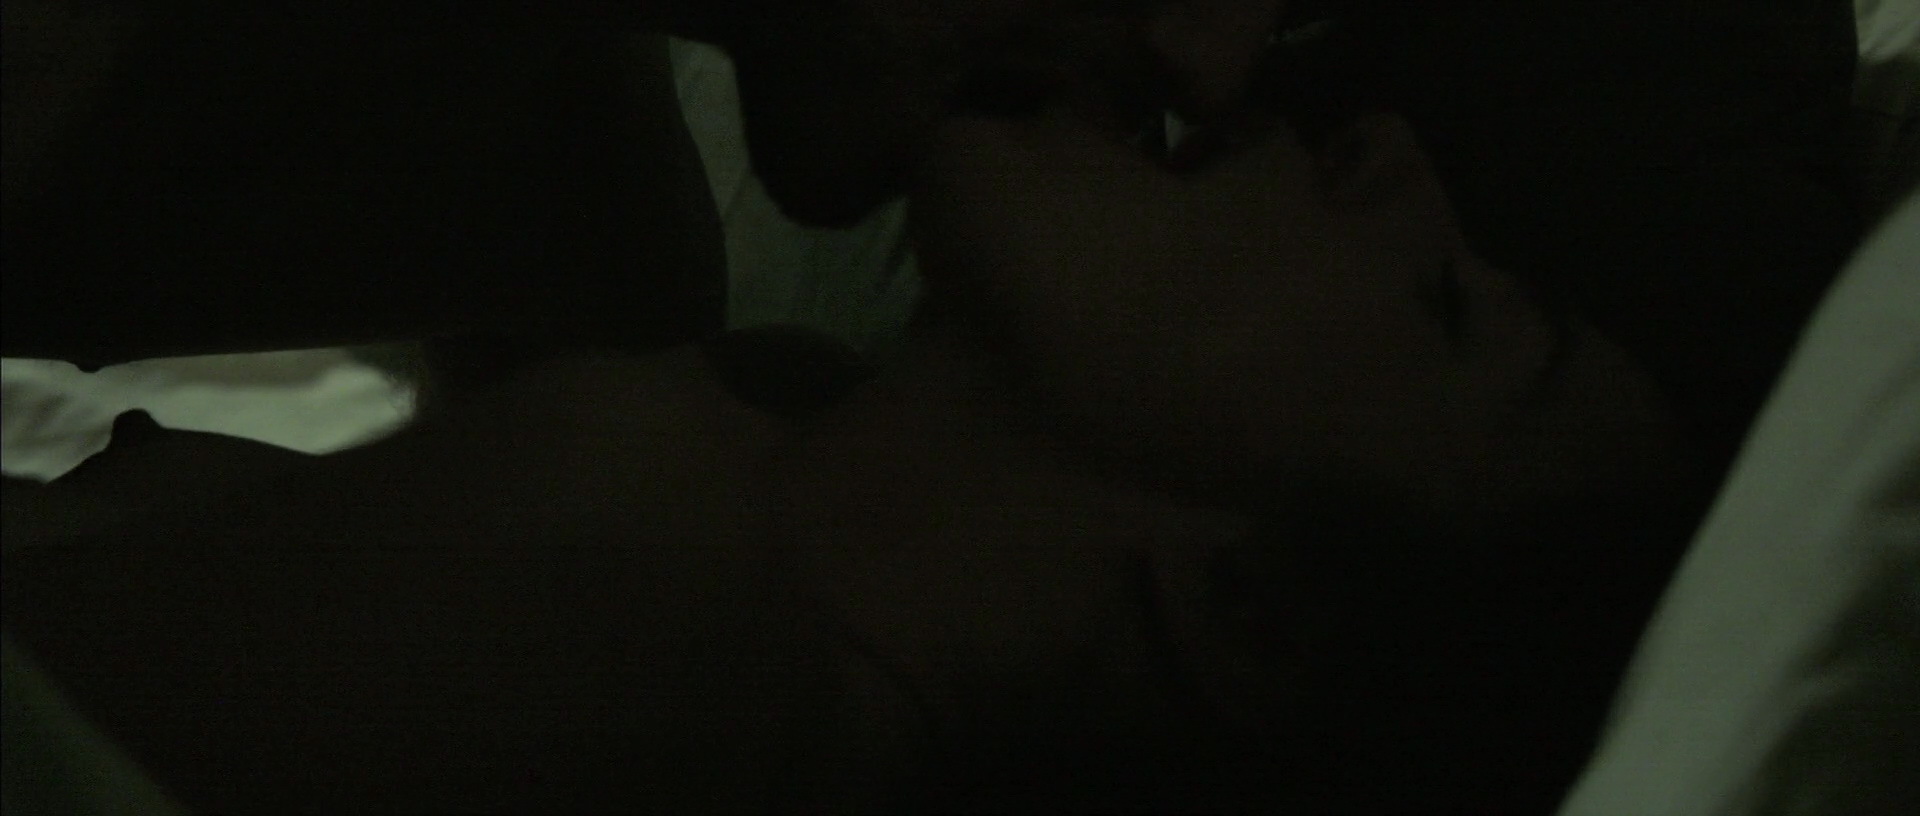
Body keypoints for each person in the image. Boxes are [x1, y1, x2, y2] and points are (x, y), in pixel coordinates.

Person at [2, 0, 1862, 812]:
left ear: (1256, 616)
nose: (1382, 149)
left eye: (1454, 314)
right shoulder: (664, 349)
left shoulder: (649, 557)